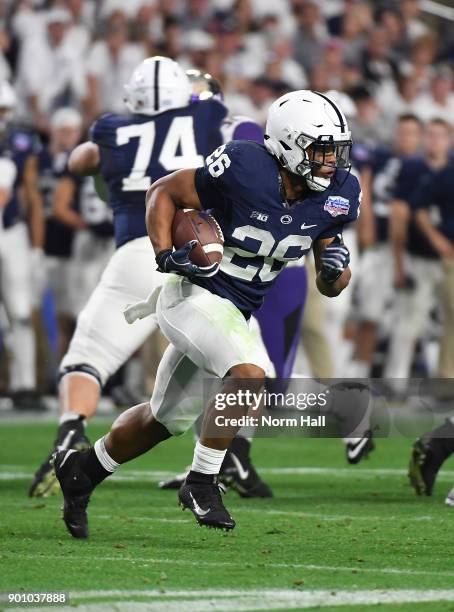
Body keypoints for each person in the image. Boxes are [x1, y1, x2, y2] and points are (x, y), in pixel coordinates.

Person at [51, 89, 360, 538]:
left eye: (336, 149)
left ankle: (82, 471)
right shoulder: (246, 167)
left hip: (234, 311)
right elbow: (164, 191)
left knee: (163, 420)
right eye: (321, 149)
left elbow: (330, 285)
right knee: (251, 374)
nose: (331, 160)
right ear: (290, 145)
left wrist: (335, 272)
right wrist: (163, 253)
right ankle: (202, 481)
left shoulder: (339, 193)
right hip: (192, 292)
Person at [28, 56, 259, 498]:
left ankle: (69, 430)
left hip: (138, 250)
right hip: (201, 256)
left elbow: (78, 162)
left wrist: (105, 161)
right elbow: (240, 135)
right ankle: (235, 455)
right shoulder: (207, 115)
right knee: (244, 363)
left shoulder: (111, 130)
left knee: (89, 355)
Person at [0, 80, 44, 410]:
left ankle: (24, 384)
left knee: (20, 312)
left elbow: (31, 194)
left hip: (12, 231)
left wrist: (36, 246)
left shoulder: (19, 141)